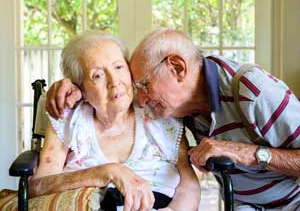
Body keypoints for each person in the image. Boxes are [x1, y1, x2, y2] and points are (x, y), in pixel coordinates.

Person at [47, 28, 300, 211]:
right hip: (247, 205)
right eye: (98, 76)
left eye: (144, 85)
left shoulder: (254, 92)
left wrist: (245, 153)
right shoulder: (181, 105)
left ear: (178, 69)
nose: (141, 100)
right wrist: (75, 86)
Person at [30, 31, 200, 211]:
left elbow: (189, 186)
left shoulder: (159, 114)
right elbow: (38, 186)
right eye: (97, 75)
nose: (114, 82)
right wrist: (106, 172)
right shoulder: (70, 119)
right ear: (81, 89)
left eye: (118, 67)